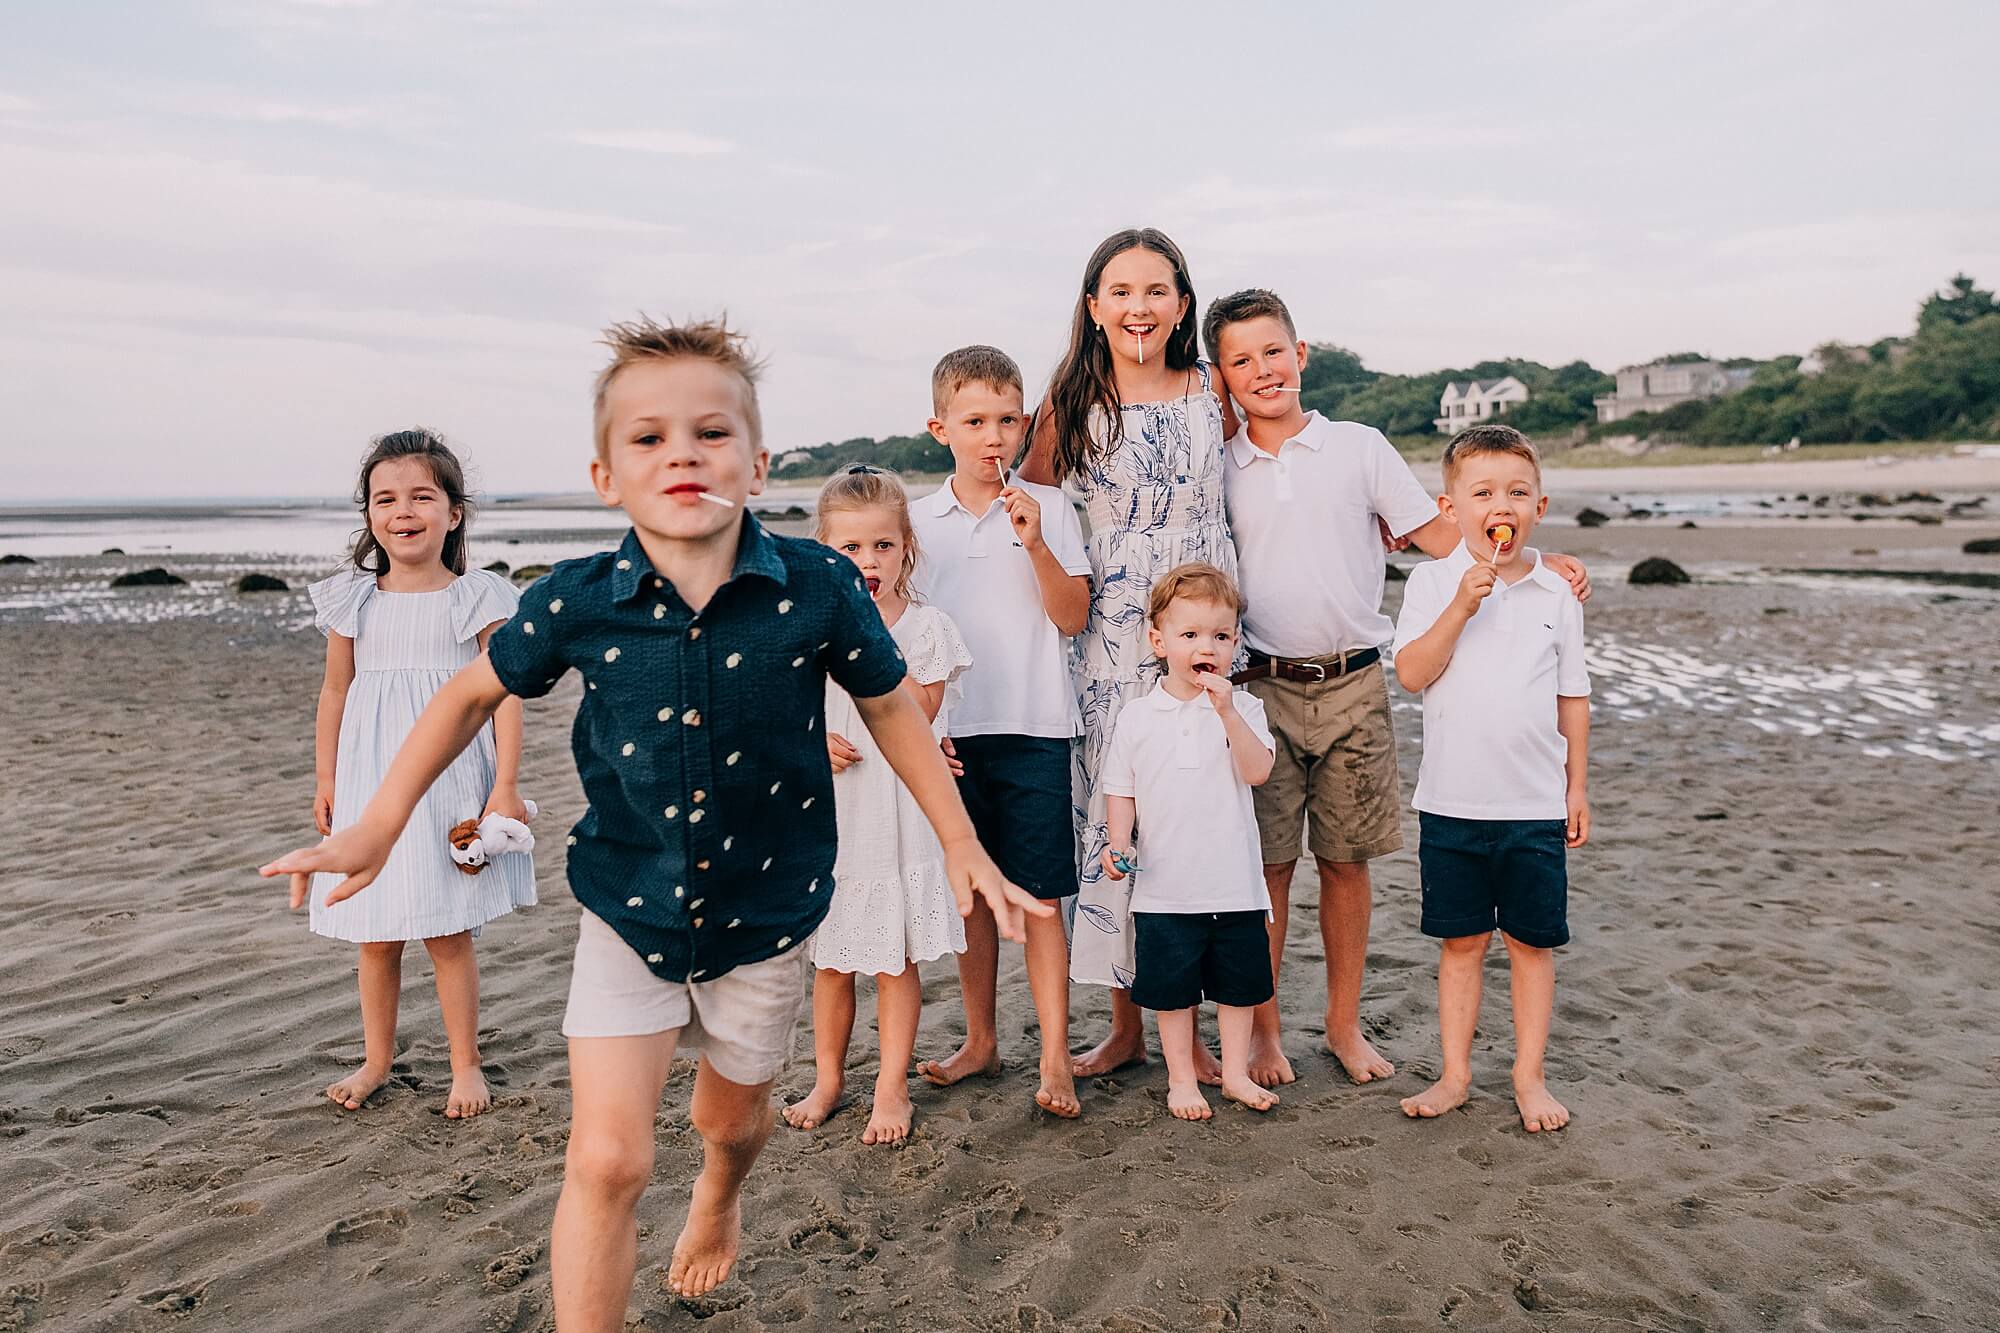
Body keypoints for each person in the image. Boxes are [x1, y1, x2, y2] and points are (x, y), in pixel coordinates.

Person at [261, 317, 1047, 1326]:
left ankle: (718, 1199)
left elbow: (893, 703)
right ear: (604, 475)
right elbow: (463, 696)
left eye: (709, 431)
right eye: (647, 436)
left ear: (758, 463)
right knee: (608, 1156)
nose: (680, 450)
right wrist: (375, 824)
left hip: (766, 911)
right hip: (626, 905)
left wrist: (959, 839)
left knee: (730, 1122)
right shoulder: (580, 598)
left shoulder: (817, 588)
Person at [1204, 288, 1592, 1088]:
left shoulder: (1359, 446)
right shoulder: (1219, 463)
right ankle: (1267, 1034)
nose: (1262, 370)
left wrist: (1535, 560)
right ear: (1222, 376)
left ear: (1301, 353)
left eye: (1273, 351)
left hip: (1353, 683)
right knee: (1268, 866)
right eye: (1241, 360)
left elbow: (1446, 535)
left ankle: (1343, 1027)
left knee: (1346, 862)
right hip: (1260, 684)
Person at [1019, 227, 1239, 1084]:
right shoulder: (1069, 405)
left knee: (1205, 823)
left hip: (1209, 634)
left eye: (1157, 290)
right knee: (1120, 827)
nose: (1139, 307)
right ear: (1094, 306)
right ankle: (1124, 1027)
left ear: (1182, 303)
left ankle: (1204, 1025)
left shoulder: (1211, 390)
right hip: (1110, 645)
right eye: (1121, 291)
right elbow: (1024, 515)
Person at [301, 427, 533, 1119]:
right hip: (369, 777)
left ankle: (465, 1064)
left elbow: (507, 692)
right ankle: (377, 1058)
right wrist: (326, 777)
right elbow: (335, 691)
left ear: (453, 512)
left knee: (445, 929)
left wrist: (506, 783)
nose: (403, 510)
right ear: (369, 514)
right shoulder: (354, 600)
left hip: (451, 779)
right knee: (375, 931)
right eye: (385, 498)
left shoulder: (476, 597)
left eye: (421, 496)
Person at [1390, 423, 1591, 1134]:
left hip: (1534, 802)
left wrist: (1576, 787)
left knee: (1533, 945)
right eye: (1481, 492)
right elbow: (1412, 673)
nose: (1498, 503)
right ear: (1451, 508)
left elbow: (1574, 696)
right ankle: (1455, 1073)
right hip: (1451, 802)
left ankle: (1529, 1075)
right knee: (1462, 943)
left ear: (1538, 504)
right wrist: (1460, 606)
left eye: (1515, 492)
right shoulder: (1432, 581)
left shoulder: (1556, 591)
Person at [909, 345, 1090, 1119]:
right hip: (945, 733)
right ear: (939, 426)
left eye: (1007, 419)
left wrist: (1036, 541)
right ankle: (981, 1038)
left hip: (1035, 723)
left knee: (1043, 896)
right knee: (971, 898)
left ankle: (1055, 1052)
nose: (993, 436)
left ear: (1024, 425)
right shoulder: (914, 522)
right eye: (975, 420)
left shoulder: (1052, 507)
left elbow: (1073, 616)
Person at [782, 466, 974, 1145]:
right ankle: (829, 1078)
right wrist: (808, 734)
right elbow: (782, 707)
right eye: (851, 550)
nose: (868, 561)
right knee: (831, 962)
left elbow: (918, 713)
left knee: (895, 961)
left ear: (906, 548)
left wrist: (865, 634)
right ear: (825, 552)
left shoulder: (925, 627)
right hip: (833, 809)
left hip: (899, 811)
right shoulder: (805, 628)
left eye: (883, 547)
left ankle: (891, 1084)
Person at [1099, 563, 1278, 1121]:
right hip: (1165, 889)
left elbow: (1257, 772)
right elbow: (1120, 788)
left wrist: (1225, 710)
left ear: (1235, 643)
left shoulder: (1244, 708)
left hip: (1235, 886)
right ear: (1159, 641)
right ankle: (1181, 1078)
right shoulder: (1137, 716)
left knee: (1239, 990)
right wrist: (1118, 841)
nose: (1208, 646)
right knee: (1174, 994)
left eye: (1221, 636)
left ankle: (1235, 1075)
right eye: (1191, 634)